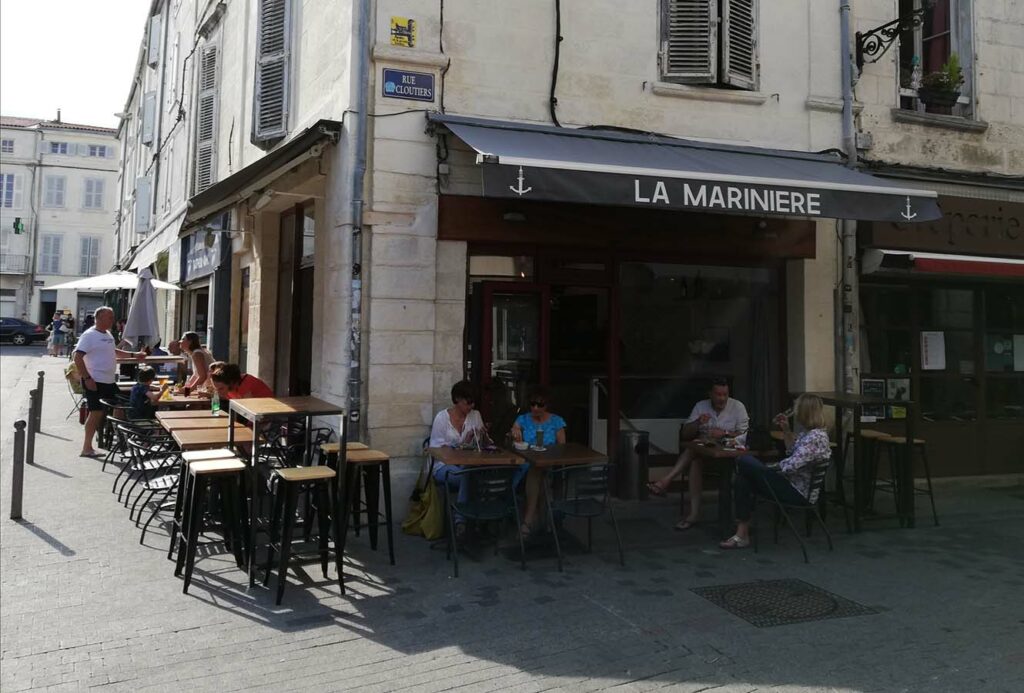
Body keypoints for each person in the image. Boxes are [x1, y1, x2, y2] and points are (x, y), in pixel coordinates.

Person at [720, 394, 832, 549]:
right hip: (791, 484)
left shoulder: (815, 438)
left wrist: (765, 469)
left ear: (805, 412)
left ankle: (742, 534)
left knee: (744, 460)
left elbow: (790, 465)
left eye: (797, 409)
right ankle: (742, 533)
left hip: (797, 492)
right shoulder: (809, 434)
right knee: (743, 479)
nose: (796, 413)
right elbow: (792, 451)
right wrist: (786, 429)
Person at [646, 377, 749, 531]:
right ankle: (693, 514)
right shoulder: (701, 406)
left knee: (694, 457)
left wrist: (724, 433)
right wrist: (698, 423)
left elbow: (745, 433)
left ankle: (666, 483)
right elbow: (686, 433)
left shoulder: (737, 407)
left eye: (725, 395)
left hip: (730, 457)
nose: (721, 398)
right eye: (718, 394)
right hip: (707, 454)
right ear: (710, 394)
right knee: (695, 457)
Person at [74, 306, 146, 458]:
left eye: (112, 317)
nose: (112, 320)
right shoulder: (89, 335)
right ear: (98, 318)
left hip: (109, 380)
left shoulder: (107, 334)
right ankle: (87, 447)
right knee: (95, 413)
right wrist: (87, 378)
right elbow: (77, 357)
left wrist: (134, 355)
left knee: (119, 407)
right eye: (109, 317)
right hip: (95, 380)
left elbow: (113, 352)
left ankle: (120, 440)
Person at [429, 380, 488, 537]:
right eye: (468, 402)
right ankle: (461, 521)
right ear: (457, 399)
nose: (471, 406)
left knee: (474, 474)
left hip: (467, 465)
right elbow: (437, 450)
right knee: (467, 476)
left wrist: (479, 438)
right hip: (443, 467)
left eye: (473, 402)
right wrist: (463, 444)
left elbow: (481, 445)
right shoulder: (442, 418)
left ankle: (478, 521)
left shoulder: (475, 416)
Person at [510, 386, 566, 536]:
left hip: (551, 464)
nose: (535, 408)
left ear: (546, 406)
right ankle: (542, 521)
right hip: (527, 464)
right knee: (537, 472)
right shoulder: (523, 419)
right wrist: (514, 433)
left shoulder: (556, 421)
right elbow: (513, 433)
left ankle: (528, 520)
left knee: (538, 470)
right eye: (532, 404)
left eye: (539, 405)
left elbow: (562, 447)